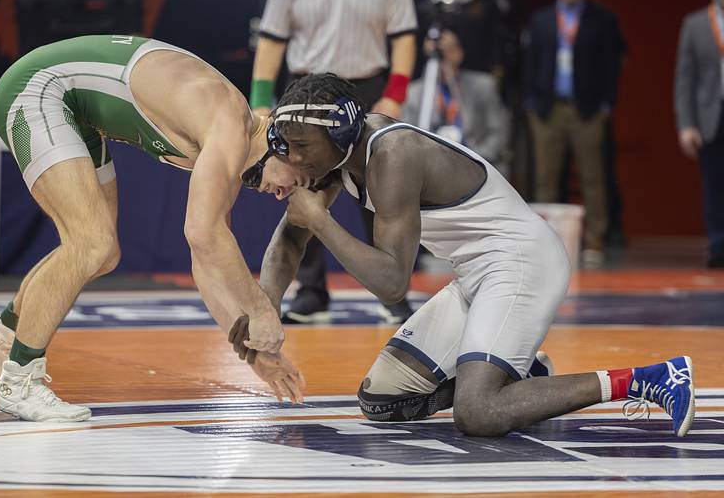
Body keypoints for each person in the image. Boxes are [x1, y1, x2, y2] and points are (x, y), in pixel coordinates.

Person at [250, 72, 695, 437]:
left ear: (341, 132)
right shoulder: (335, 155)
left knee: (478, 412)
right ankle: (520, 375)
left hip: (521, 262)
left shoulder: (393, 155)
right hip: (475, 275)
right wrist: (264, 313)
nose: (295, 159)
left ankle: (650, 378)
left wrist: (322, 221)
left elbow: (391, 284)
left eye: (303, 146)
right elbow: (289, 240)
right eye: (289, 145)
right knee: (383, 399)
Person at [0, 35, 306, 422]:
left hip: (72, 107)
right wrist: (261, 311)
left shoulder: (231, 144)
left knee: (104, 253)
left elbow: (206, 262)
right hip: (38, 88)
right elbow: (203, 235)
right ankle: (18, 382)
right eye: (297, 180)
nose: (283, 194)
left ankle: (3, 334)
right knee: (90, 243)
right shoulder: (228, 123)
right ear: (286, 146)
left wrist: (252, 353)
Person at [250, 0, 417, 323]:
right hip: (305, 94)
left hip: (364, 88)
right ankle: (311, 291)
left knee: (381, 188)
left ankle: (392, 292)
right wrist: (261, 101)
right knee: (299, 185)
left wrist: (396, 94)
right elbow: (272, 38)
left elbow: (403, 36)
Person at [522, 0, 622, 267]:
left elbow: (612, 64)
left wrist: (606, 105)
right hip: (547, 110)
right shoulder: (540, 20)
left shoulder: (602, 19)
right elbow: (528, 64)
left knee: (594, 178)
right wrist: (531, 105)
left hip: (587, 110)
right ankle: (546, 242)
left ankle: (594, 241)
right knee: (545, 179)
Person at [404, 29, 511, 176]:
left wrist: (475, 160)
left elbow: (499, 132)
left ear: (459, 53)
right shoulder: (414, 93)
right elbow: (407, 139)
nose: (442, 58)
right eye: (436, 54)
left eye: (447, 50)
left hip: (477, 165)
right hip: (432, 170)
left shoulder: (483, 86)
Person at [674, 0, 724, 268]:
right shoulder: (694, 25)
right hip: (710, 118)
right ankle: (718, 245)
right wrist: (686, 125)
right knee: (714, 184)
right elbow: (685, 79)